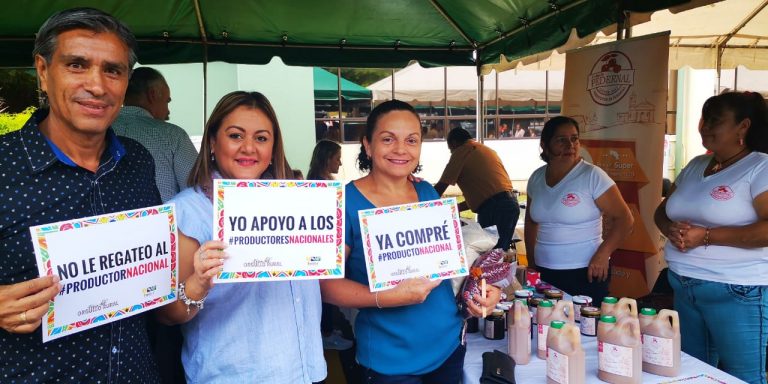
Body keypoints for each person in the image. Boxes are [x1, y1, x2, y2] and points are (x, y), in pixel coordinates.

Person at [0, 8, 161, 382]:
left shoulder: (137, 161)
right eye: (77, 65)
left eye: (113, 70)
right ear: (43, 70)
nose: (98, 85)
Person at [320, 100, 501, 384]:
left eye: (411, 140)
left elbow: (448, 263)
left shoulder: (427, 191)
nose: (401, 149)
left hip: (449, 346)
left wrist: (481, 290)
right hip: (390, 360)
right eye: (388, 139)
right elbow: (325, 284)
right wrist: (385, 297)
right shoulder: (344, 203)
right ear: (367, 145)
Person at [156, 91, 326, 383]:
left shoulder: (298, 201)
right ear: (212, 141)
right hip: (236, 375)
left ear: (273, 148)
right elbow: (168, 314)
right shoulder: (186, 212)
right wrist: (198, 283)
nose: (249, 148)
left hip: (307, 369)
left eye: (261, 138)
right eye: (236, 136)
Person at [654, 92, 768, 384]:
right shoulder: (695, 165)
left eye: (715, 120)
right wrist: (669, 228)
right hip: (683, 286)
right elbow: (662, 210)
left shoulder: (760, 167)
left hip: (736, 291)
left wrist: (705, 236)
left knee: (742, 378)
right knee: (693, 374)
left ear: (743, 126)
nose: (704, 126)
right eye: (703, 118)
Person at [524, 116, 633, 304]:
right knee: (547, 327)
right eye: (561, 140)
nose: (570, 145)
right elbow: (531, 222)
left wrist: (602, 254)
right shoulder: (536, 178)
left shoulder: (592, 175)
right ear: (545, 145)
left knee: (585, 329)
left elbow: (625, 219)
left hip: (585, 271)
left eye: (574, 139)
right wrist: (531, 263)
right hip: (545, 271)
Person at [112, 66, 198, 202]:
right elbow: (196, 189)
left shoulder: (98, 131)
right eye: (167, 101)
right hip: (163, 221)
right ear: (152, 94)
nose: (168, 112)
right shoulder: (173, 135)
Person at [434, 127, 520, 251]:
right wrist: (457, 207)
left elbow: (440, 188)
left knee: (489, 254)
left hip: (495, 209)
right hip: (510, 205)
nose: (451, 153)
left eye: (450, 150)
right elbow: (484, 195)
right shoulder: (485, 150)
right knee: (500, 253)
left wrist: (424, 204)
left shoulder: (462, 151)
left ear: (453, 143)